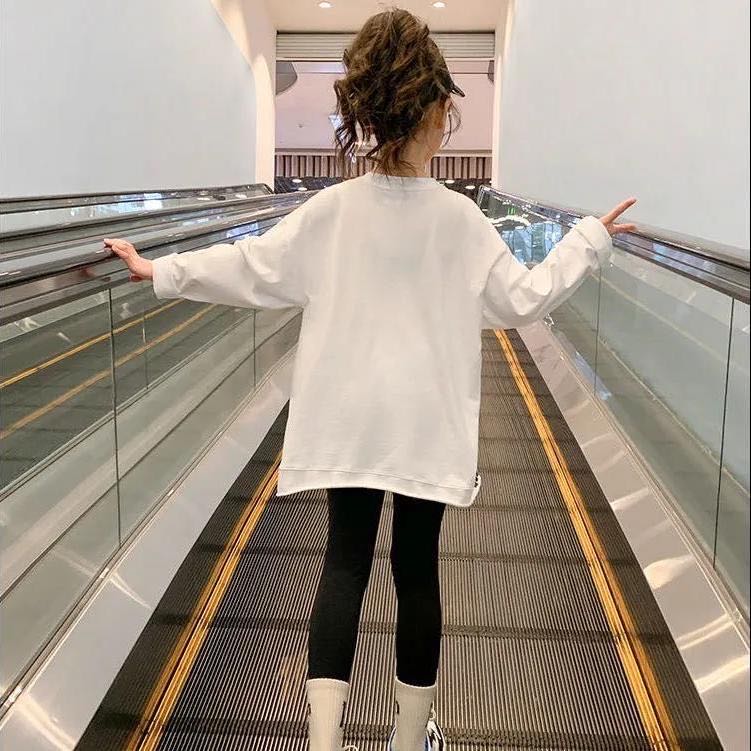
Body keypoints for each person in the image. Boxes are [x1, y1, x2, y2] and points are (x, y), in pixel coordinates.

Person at [105, 9, 635, 751]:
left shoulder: (330, 211)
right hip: (425, 421)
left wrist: (160, 269)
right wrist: (589, 240)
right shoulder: (458, 220)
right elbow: (523, 300)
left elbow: (251, 267)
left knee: (343, 564)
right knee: (416, 571)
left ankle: (324, 741)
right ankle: (408, 737)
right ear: (432, 113)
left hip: (346, 415)